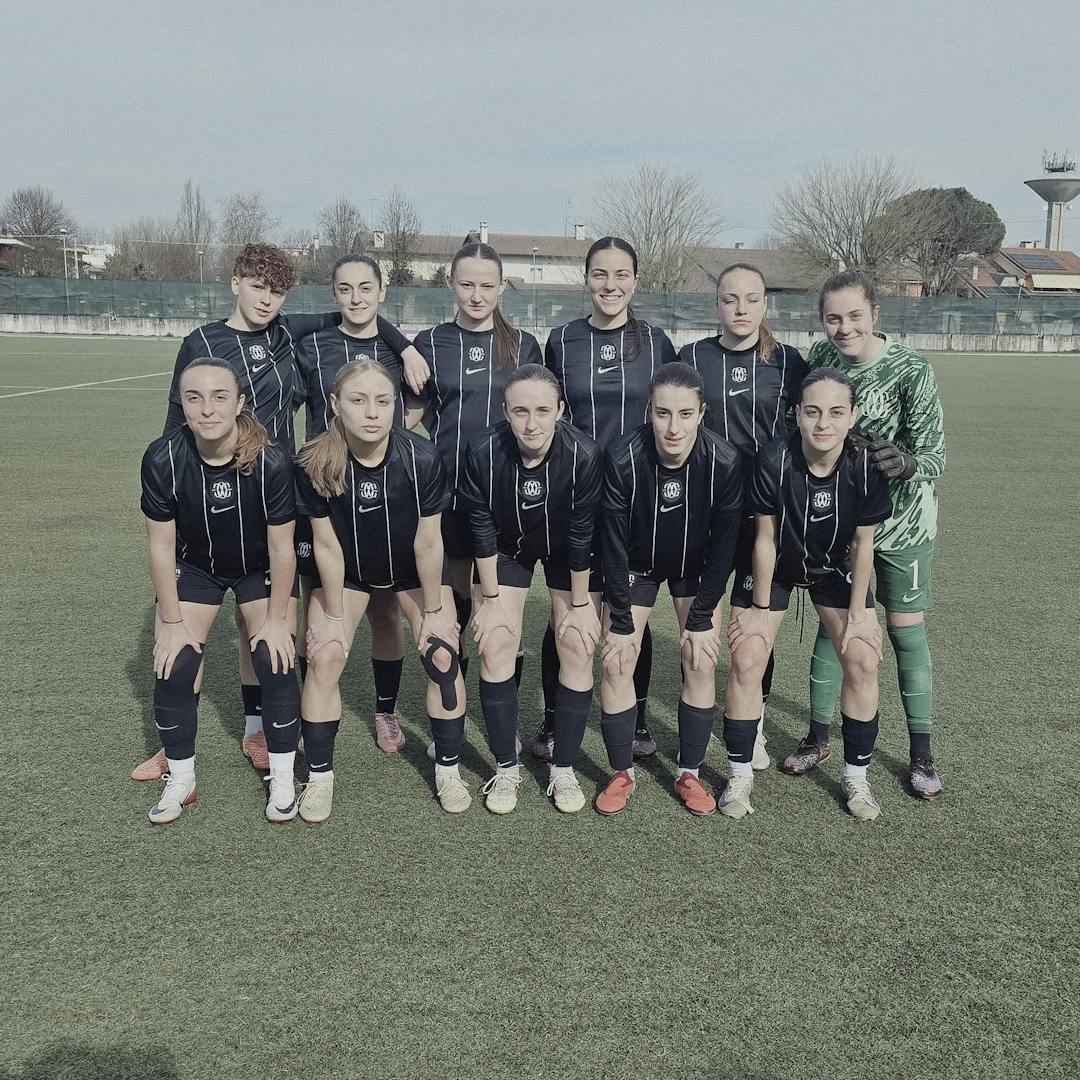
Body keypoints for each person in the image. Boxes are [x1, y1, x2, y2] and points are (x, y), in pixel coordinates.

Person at [132, 243, 427, 781]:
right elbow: (178, 420)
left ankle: (260, 730)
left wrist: (403, 344)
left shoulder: (288, 333)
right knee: (181, 630)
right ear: (235, 283)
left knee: (267, 624)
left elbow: (353, 315)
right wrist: (179, 483)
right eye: (257, 286)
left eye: (277, 290)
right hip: (209, 493)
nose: (267, 299)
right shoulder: (201, 342)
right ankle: (174, 745)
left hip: (274, 493)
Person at [789, 271, 946, 800]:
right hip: (840, 525)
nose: (844, 328)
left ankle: (921, 752)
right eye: (833, 318)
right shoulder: (821, 358)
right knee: (834, 628)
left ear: (875, 314)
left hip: (903, 527)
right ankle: (817, 737)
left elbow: (935, 456)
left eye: (854, 315)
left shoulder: (911, 368)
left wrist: (904, 462)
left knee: (904, 632)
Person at [295, 360, 466, 820]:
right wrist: (332, 616)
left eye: (383, 401)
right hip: (350, 574)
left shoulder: (423, 458)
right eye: (358, 400)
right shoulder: (314, 461)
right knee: (325, 654)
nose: (372, 412)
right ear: (335, 404)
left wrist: (435, 611)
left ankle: (448, 770)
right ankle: (319, 778)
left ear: (395, 406)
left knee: (443, 654)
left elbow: (429, 542)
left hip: (412, 573)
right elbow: (326, 545)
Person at [725, 368, 892, 820]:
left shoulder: (866, 465)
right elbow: (764, 539)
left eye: (836, 413)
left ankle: (857, 777)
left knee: (862, 657)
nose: (823, 423)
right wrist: (760, 610)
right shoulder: (772, 458)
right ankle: (739, 776)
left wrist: (859, 615)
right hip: (775, 566)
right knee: (747, 656)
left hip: (834, 567)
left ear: (852, 416)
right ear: (797, 414)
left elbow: (863, 544)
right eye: (813, 411)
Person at [139, 358, 300, 825]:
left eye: (219, 397)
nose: (207, 409)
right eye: (194, 398)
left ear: (240, 402)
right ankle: (182, 778)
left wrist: (276, 620)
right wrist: (171, 623)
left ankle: (283, 776)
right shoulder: (162, 457)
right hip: (196, 567)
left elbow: (283, 549)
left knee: (274, 655)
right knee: (175, 661)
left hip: (258, 567)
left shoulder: (271, 460)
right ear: (181, 403)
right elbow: (160, 547)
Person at [540, 236, 678, 762]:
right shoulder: (562, 340)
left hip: (637, 501)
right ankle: (554, 719)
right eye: (600, 274)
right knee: (565, 614)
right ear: (586, 279)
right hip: (572, 497)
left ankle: (636, 718)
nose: (610, 285)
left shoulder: (656, 342)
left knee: (629, 609)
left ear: (635, 282)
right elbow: (549, 412)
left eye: (621, 275)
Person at [293, 254, 426, 757]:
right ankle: (308, 709)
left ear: (381, 291)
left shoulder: (400, 352)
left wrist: (386, 441)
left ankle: (385, 710)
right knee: (317, 608)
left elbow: (422, 402)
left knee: (384, 611)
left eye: (365, 288)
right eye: (345, 288)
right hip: (324, 489)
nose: (356, 298)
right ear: (334, 294)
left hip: (385, 496)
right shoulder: (313, 344)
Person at [596, 362, 742, 816]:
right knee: (617, 660)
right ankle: (621, 772)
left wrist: (701, 618)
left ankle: (689, 773)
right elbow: (612, 543)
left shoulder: (725, 461)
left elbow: (724, 547)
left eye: (684, 414)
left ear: (702, 413)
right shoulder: (622, 456)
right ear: (649, 411)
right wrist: (621, 621)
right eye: (663, 414)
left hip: (694, 567)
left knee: (700, 657)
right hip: (635, 564)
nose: (673, 427)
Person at [680, 262, 808, 771]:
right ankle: (689, 718)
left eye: (751, 299)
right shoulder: (692, 356)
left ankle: (751, 726)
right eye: (730, 299)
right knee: (701, 622)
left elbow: (820, 421)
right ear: (716, 304)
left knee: (754, 626)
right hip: (705, 513)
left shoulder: (787, 360)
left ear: (764, 304)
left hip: (766, 518)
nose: (741, 308)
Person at [458, 365, 603, 814]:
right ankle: (506, 768)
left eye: (542, 410)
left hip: (568, 553)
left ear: (560, 410)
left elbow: (581, 533)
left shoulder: (583, 454)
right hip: (506, 548)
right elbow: (480, 527)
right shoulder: (482, 450)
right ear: (505, 412)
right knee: (496, 641)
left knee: (576, 642)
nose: (532, 423)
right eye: (520, 411)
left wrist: (580, 604)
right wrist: (491, 602)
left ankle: (563, 769)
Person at [411, 242, 542, 692]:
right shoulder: (430, 342)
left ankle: (502, 705)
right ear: (451, 282)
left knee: (501, 604)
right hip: (447, 492)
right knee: (456, 601)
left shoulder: (523, 345)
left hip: (507, 495)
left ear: (502, 286)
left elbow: (538, 414)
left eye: (487, 286)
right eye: (466, 284)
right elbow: (415, 413)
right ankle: (456, 696)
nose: (476, 295)